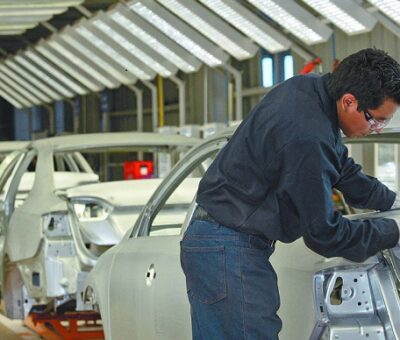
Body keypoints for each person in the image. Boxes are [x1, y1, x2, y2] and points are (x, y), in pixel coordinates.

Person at [180, 48, 400, 339]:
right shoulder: (307, 136)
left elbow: (340, 167)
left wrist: (393, 202)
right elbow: (324, 233)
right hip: (228, 247)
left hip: (219, 240)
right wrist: (392, 230)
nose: (376, 129)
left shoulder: (308, 91)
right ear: (349, 101)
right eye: (376, 120)